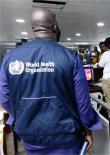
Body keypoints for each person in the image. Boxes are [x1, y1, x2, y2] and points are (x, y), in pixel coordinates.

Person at [0, 8, 102, 154]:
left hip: (30, 134)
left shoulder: (10, 58)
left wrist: (21, 116)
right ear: (55, 27)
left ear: (33, 29)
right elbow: (82, 101)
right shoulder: (70, 57)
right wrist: (88, 128)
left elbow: (4, 98)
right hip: (66, 134)